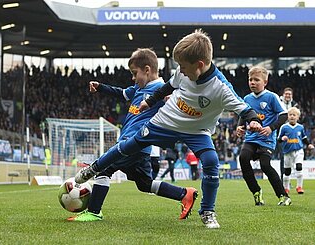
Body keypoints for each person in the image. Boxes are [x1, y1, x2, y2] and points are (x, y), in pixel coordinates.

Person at [75, 29, 262, 229]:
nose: (180, 70)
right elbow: (168, 87)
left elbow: (244, 107)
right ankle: (93, 170)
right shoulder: (182, 71)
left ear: (199, 65)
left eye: (182, 66)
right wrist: (150, 101)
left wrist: (252, 121)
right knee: (130, 144)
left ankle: (207, 211)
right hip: (166, 120)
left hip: (197, 130)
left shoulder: (221, 88)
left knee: (211, 161)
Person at [68, 48, 198, 222]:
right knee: (145, 185)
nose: (133, 78)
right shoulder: (138, 88)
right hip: (139, 147)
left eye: (134, 73)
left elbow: (177, 105)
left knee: (104, 169)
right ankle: (184, 194)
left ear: (147, 69)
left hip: (133, 142)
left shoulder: (161, 89)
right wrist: (101, 88)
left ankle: (93, 211)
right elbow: (121, 93)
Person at [237, 66, 291, 206]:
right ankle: (256, 192)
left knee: (265, 165)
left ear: (265, 82)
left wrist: (270, 128)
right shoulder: (247, 98)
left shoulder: (271, 97)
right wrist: (240, 126)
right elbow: (244, 114)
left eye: (256, 80)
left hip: (266, 139)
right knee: (243, 158)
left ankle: (283, 196)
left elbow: (284, 115)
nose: (252, 82)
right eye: (250, 80)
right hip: (251, 138)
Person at [278, 107, 314, 194]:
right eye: (290, 115)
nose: (292, 117)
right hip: (287, 152)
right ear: (288, 116)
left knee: (299, 167)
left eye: (294, 115)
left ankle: (299, 187)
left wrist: (308, 144)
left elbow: (304, 138)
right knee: (287, 171)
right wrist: (282, 138)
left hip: (298, 151)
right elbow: (278, 139)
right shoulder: (284, 127)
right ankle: (286, 188)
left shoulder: (300, 127)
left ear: (298, 117)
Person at [277, 87, 299, 181]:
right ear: (283, 94)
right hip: (280, 133)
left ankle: (286, 180)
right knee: (283, 156)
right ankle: (283, 179)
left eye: (289, 94)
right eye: (286, 94)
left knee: (290, 157)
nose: (288, 95)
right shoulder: (278, 102)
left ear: (292, 96)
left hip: (292, 134)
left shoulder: (294, 105)